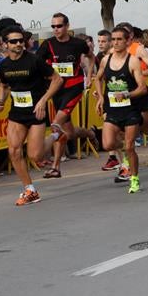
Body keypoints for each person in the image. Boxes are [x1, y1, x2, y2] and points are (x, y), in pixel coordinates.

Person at [0, 26, 63, 205]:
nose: (19, 44)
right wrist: (1, 101)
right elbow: (3, 85)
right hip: (17, 112)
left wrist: (43, 100)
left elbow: (57, 80)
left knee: (36, 156)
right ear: (5, 44)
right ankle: (29, 190)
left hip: (36, 111)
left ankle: (56, 135)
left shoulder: (34, 61)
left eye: (21, 40)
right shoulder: (3, 65)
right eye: (14, 41)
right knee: (14, 150)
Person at [35, 13, 96, 178]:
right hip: (57, 90)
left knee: (56, 125)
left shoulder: (78, 44)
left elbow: (91, 57)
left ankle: (55, 166)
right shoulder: (48, 44)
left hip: (74, 87)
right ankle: (90, 133)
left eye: (59, 26)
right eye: (53, 26)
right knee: (69, 132)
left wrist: (89, 76)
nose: (56, 29)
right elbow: (36, 63)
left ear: (67, 26)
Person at [95, 26, 148, 194]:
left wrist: (126, 94)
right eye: (114, 39)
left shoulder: (132, 61)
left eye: (119, 39)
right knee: (108, 144)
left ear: (127, 41)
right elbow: (97, 78)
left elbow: (142, 88)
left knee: (130, 146)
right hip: (112, 109)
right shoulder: (106, 60)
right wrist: (101, 98)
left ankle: (134, 178)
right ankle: (125, 153)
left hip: (130, 110)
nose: (116, 42)